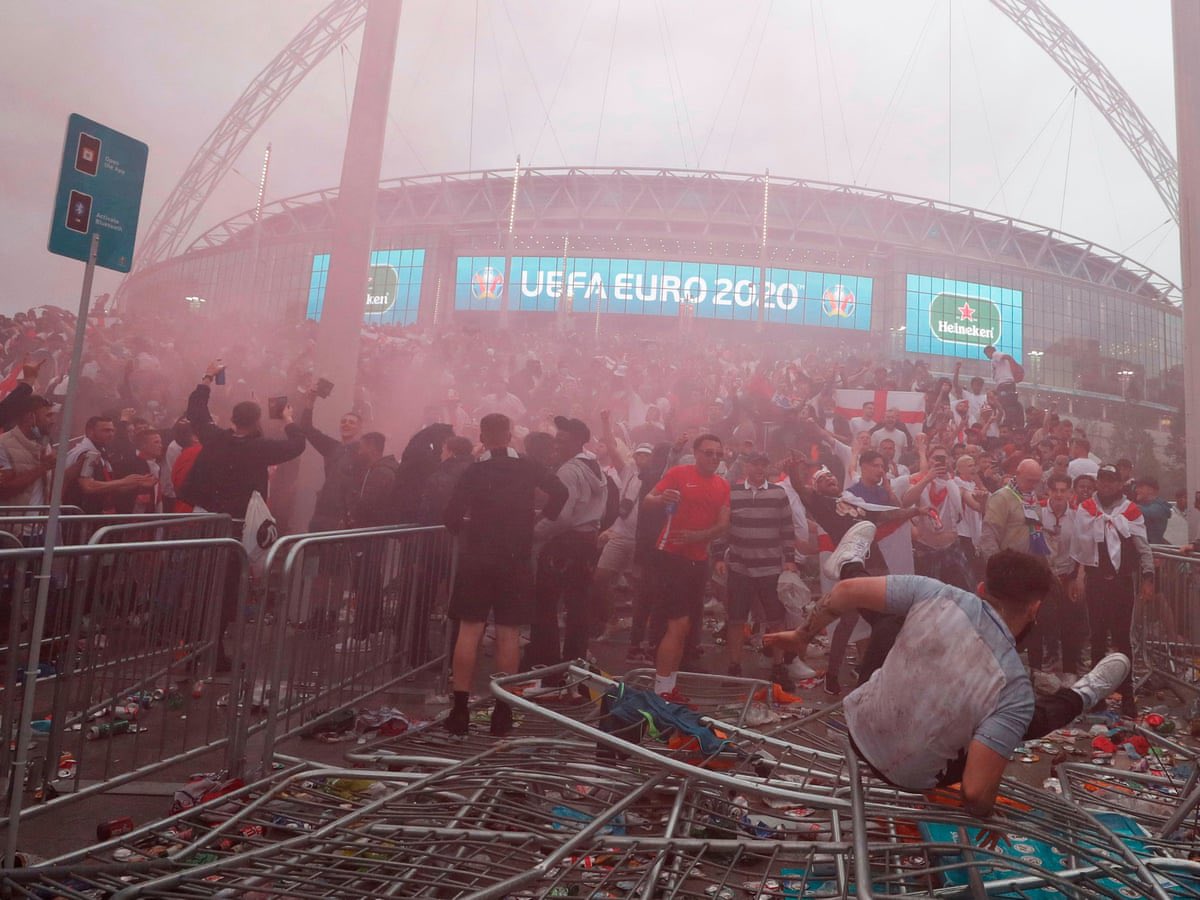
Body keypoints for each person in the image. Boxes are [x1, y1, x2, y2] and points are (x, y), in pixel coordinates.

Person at [765, 551, 1130, 817]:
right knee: (1025, 717)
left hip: (859, 728)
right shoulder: (1013, 686)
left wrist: (801, 635)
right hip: (912, 777)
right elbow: (975, 794)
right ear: (1035, 608)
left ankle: (850, 562)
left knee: (891, 621)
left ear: (982, 587)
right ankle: (1083, 694)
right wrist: (989, 816)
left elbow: (846, 592)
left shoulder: (936, 593)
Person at [442, 413, 568, 735]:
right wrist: (537, 523)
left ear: (482, 438)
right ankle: (503, 711)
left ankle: (459, 711)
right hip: (515, 559)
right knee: (508, 633)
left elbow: (451, 516)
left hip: (477, 558)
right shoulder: (528, 466)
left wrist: (462, 527)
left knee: (469, 630)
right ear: (510, 436)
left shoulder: (474, 470)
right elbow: (560, 491)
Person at [642, 433, 731, 703]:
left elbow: (723, 524)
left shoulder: (722, 484)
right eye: (708, 452)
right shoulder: (679, 473)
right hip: (671, 556)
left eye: (718, 454)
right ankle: (662, 690)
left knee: (686, 625)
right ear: (696, 453)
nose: (714, 458)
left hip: (698, 560)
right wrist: (661, 499)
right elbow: (647, 500)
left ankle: (668, 686)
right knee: (677, 624)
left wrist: (697, 536)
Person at [1070, 463, 1154, 718]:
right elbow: (1078, 548)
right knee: (1097, 639)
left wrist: (1148, 577)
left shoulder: (1131, 510)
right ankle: (1097, 697)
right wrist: (1075, 577)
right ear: (1097, 482)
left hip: (1122, 584)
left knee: (1122, 640)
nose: (1106, 484)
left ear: (1119, 483)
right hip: (1096, 582)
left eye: (1111, 480)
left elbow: (1143, 546)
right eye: (1103, 479)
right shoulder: (1086, 509)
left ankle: (1127, 696)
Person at [526, 416, 608, 671]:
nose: (556, 444)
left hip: (565, 542)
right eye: (556, 439)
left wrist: (535, 533)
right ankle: (575, 661)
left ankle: (546, 661)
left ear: (577, 441)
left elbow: (562, 516)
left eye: (562, 440)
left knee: (546, 602)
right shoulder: (594, 466)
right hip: (586, 541)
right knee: (578, 604)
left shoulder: (569, 470)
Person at [716, 451, 796, 687]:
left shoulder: (778, 493)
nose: (759, 469)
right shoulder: (732, 493)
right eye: (755, 464)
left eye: (763, 465)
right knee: (735, 619)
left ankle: (778, 667)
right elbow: (722, 528)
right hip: (739, 567)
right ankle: (734, 668)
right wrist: (719, 557)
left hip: (770, 568)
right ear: (745, 466)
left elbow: (787, 528)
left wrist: (790, 559)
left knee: (776, 619)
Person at [1028, 472, 1083, 687]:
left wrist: (1078, 576)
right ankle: (1035, 670)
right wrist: (1046, 572)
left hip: (1067, 575)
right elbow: (1033, 543)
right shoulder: (1038, 512)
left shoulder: (1077, 515)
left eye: (1063, 490)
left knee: (1070, 624)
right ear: (1048, 491)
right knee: (1037, 623)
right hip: (1043, 574)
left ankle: (1070, 671)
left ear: (1070, 492)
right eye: (1055, 490)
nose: (1059, 495)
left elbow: (1082, 548)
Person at [299, 391, 364, 531]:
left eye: (351, 422)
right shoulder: (332, 447)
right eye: (343, 421)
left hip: (343, 515)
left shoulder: (362, 453)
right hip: (323, 510)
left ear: (359, 428)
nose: (346, 424)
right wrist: (310, 403)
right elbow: (306, 429)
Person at [64, 415, 151, 514]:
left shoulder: (100, 452)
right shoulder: (87, 453)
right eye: (106, 431)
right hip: (80, 516)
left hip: (95, 514)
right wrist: (123, 481)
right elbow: (88, 486)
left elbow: (108, 487)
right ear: (90, 432)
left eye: (112, 431)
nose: (111, 434)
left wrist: (136, 483)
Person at [977, 459, 1045, 562]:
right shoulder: (1001, 498)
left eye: (1037, 482)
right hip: (1008, 565)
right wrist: (997, 566)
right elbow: (989, 536)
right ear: (1017, 474)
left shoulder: (1031, 496)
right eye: (1030, 480)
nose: (1033, 485)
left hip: (1030, 564)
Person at [0, 394, 56, 507]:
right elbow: (4, 491)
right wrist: (43, 467)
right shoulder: (3, 444)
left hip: (41, 518)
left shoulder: (45, 445)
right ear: (31, 417)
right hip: (14, 518)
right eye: (48, 416)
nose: (53, 421)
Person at [1134, 477, 1171, 545]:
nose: (1136, 490)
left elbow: (1151, 513)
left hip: (1153, 548)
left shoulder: (1160, 508)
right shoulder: (1145, 506)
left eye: (1140, 487)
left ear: (1150, 490)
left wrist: (1128, 506)